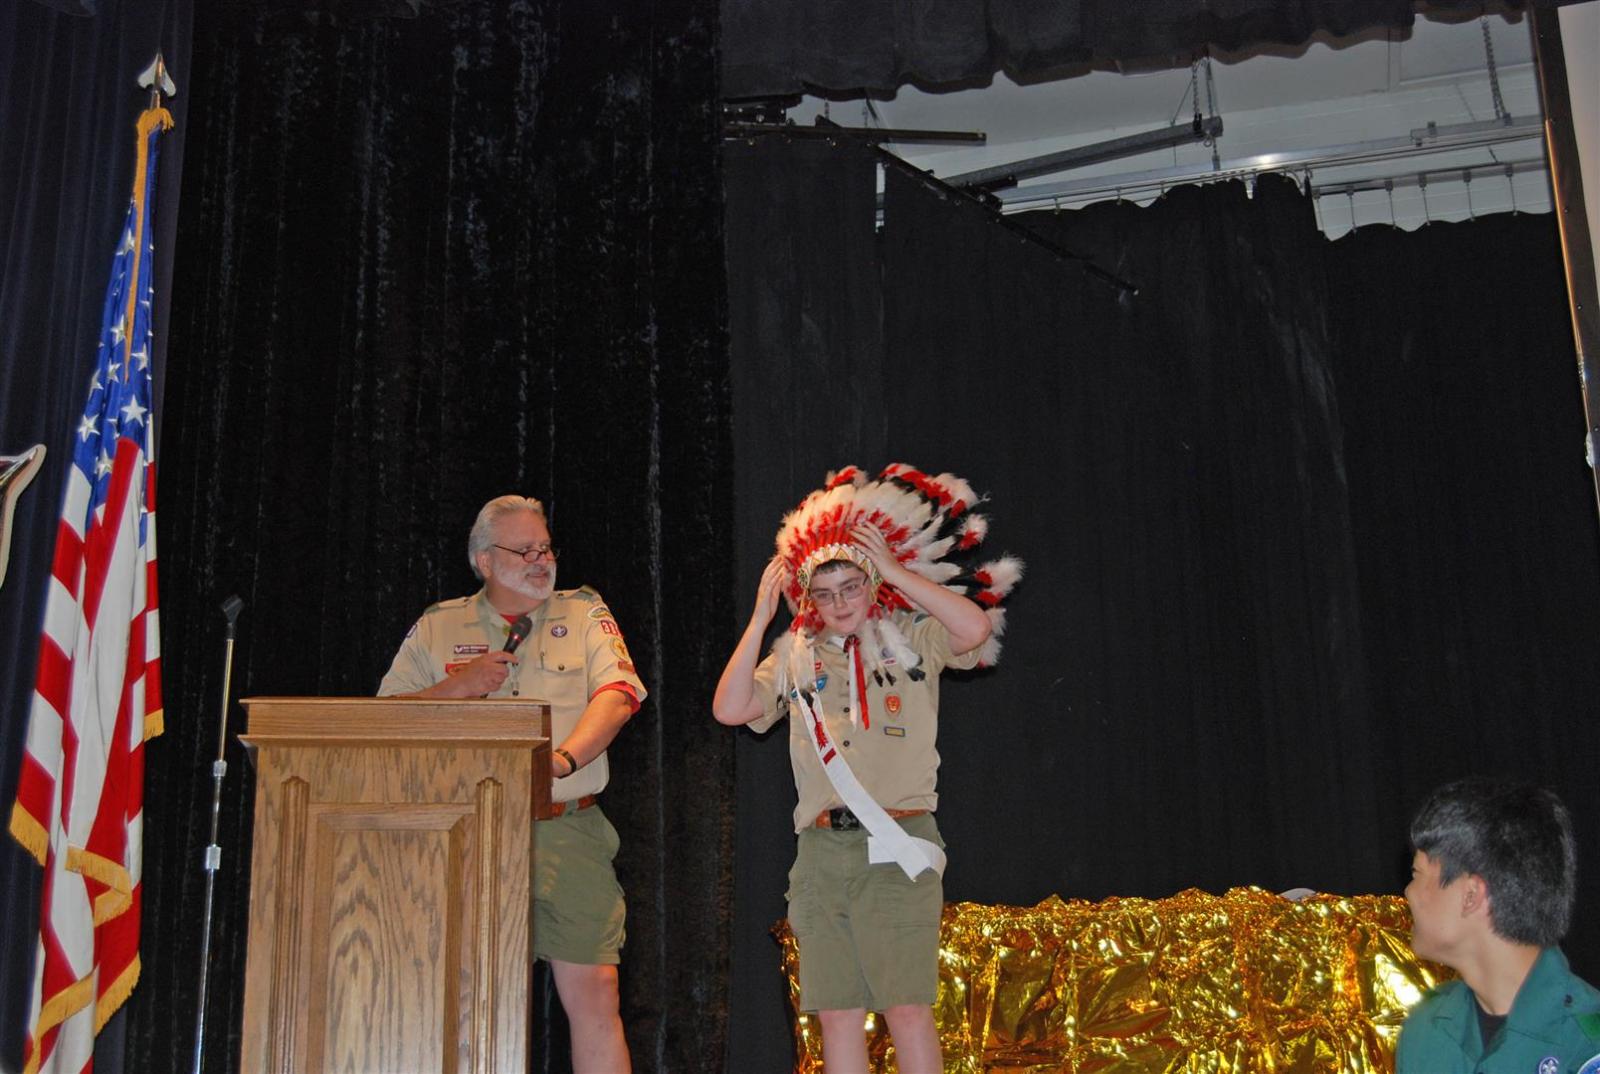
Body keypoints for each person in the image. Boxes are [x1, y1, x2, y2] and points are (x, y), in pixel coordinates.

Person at [713, 464, 1021, 1074]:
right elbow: (730, 708)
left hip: (898, 840)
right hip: (820, 851)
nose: (838, 603)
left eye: (851, 587)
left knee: (906, 1008)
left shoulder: (911, 636)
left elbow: (974, 627)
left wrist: (898, 573)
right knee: (836, 1015)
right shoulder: (795, 657)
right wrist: (759, 618)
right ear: (808, 598)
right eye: (824, 594)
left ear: (871, 583)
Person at [378, 494, 643, 1074]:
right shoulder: (439, 625)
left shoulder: (584, 612)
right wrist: (457, 687)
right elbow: (384, 720)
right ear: (484, 560)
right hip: (469, 834)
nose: (541, 560)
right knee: (468, 997)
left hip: (566, 826)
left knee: (597, 991)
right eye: (524, 550)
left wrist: (563, 761)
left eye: (545, 548)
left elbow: (619, 696)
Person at [1398, 777, 1600, 1074]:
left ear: (1471, 895)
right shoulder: (1425, 1032)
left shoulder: (1586, 1043)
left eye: (1417, 874)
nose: (1408, 893)